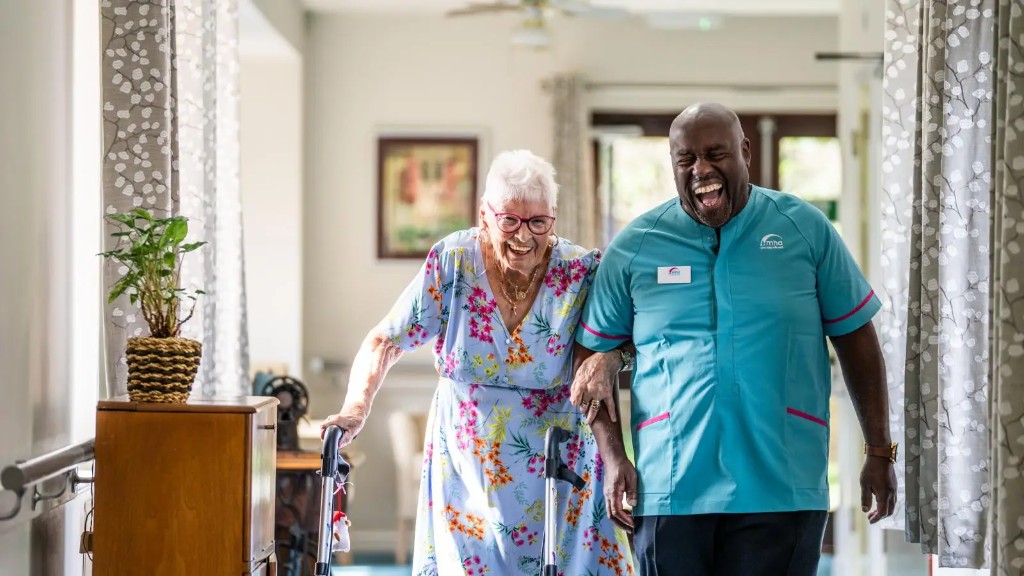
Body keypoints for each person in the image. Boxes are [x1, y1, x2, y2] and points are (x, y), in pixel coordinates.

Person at [570, 102, 897, 576]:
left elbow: (857, 341)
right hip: (669, 487)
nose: (701, 170)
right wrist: (614, 456)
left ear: (745, 152)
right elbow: (590, 359)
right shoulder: (636, 245)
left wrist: (879, 450)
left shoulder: (804, 230)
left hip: (782, 482)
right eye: (686, 160)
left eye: (715, 154)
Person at [321, 150, 634, 575]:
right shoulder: (453, 262)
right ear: (484, 215)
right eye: (509, 220)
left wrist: (612, 357)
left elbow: (637, 334)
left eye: (538, 223)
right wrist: (355, 409)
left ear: (554, 218)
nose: (524, 237)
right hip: (468, 467)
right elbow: (386, 340)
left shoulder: (580, 271)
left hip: (559, 464)